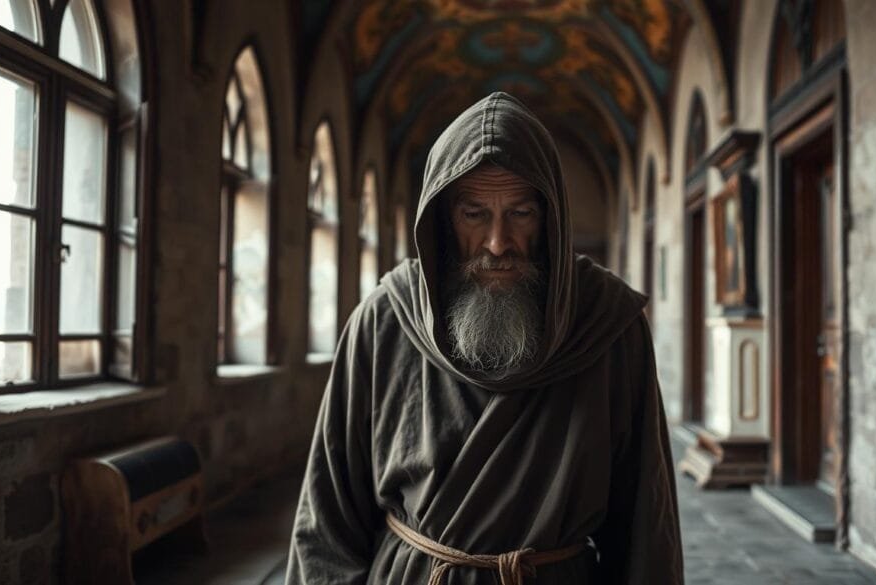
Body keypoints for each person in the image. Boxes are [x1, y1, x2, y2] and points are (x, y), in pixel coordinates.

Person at [285, 92, 683, 585]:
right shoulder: (381, 322)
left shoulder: (609, 327)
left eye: (520, 214)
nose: (498, 243)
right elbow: (327, 524)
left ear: (551, 216)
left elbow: (647, 527)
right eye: (474, 214)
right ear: (442, 221)